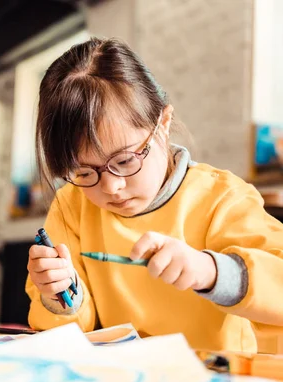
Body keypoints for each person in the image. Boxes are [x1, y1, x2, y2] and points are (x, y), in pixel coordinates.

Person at [26, 37, 283, 352]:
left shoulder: (222, 198)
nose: (111, 187)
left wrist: (211, 272)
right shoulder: (71, 206)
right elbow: (64, 337)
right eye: (83, 173)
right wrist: (62, 297)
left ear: (163, 122)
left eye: (125, 160)